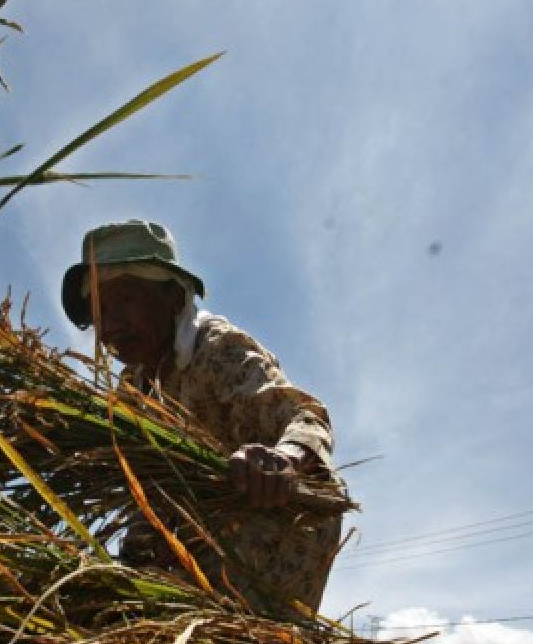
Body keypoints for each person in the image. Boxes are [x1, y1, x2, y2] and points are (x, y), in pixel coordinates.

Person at [60, 219, 342, 613]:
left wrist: (285, 458)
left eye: (125, 300)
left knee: (193, 620)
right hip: (199, 536)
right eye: (100, 310)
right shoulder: (132, 391)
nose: (111, 324)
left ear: (173, 297)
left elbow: (304, 415)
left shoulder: (216, 347)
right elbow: (150, 492)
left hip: (277, 522)